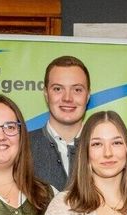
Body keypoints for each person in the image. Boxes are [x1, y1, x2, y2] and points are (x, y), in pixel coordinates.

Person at [30, 55, 91, 192]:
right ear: (46, 94)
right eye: (58, 89)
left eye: (77, 90)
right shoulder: (22, 147)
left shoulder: (104, 150)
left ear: (87, 96)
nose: (67, 98)